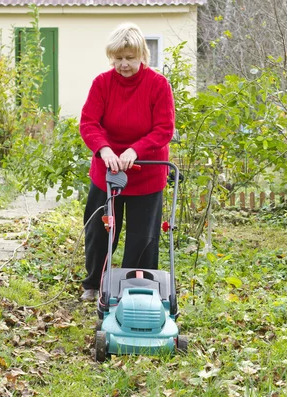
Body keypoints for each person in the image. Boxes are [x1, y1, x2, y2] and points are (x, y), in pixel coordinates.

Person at [79, 22, 175, 301]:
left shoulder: (158, 85)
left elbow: (163, 129)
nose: (123, 64)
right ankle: (94, 285)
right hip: (107, 171)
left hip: (146, 171)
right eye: (118, 58)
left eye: (130, 58)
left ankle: (138, 288)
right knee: (99, 231)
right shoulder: (102, 84)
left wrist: (136, 150)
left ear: (142, 56)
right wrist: (104, 149)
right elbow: (89, 123)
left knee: (142, 238)